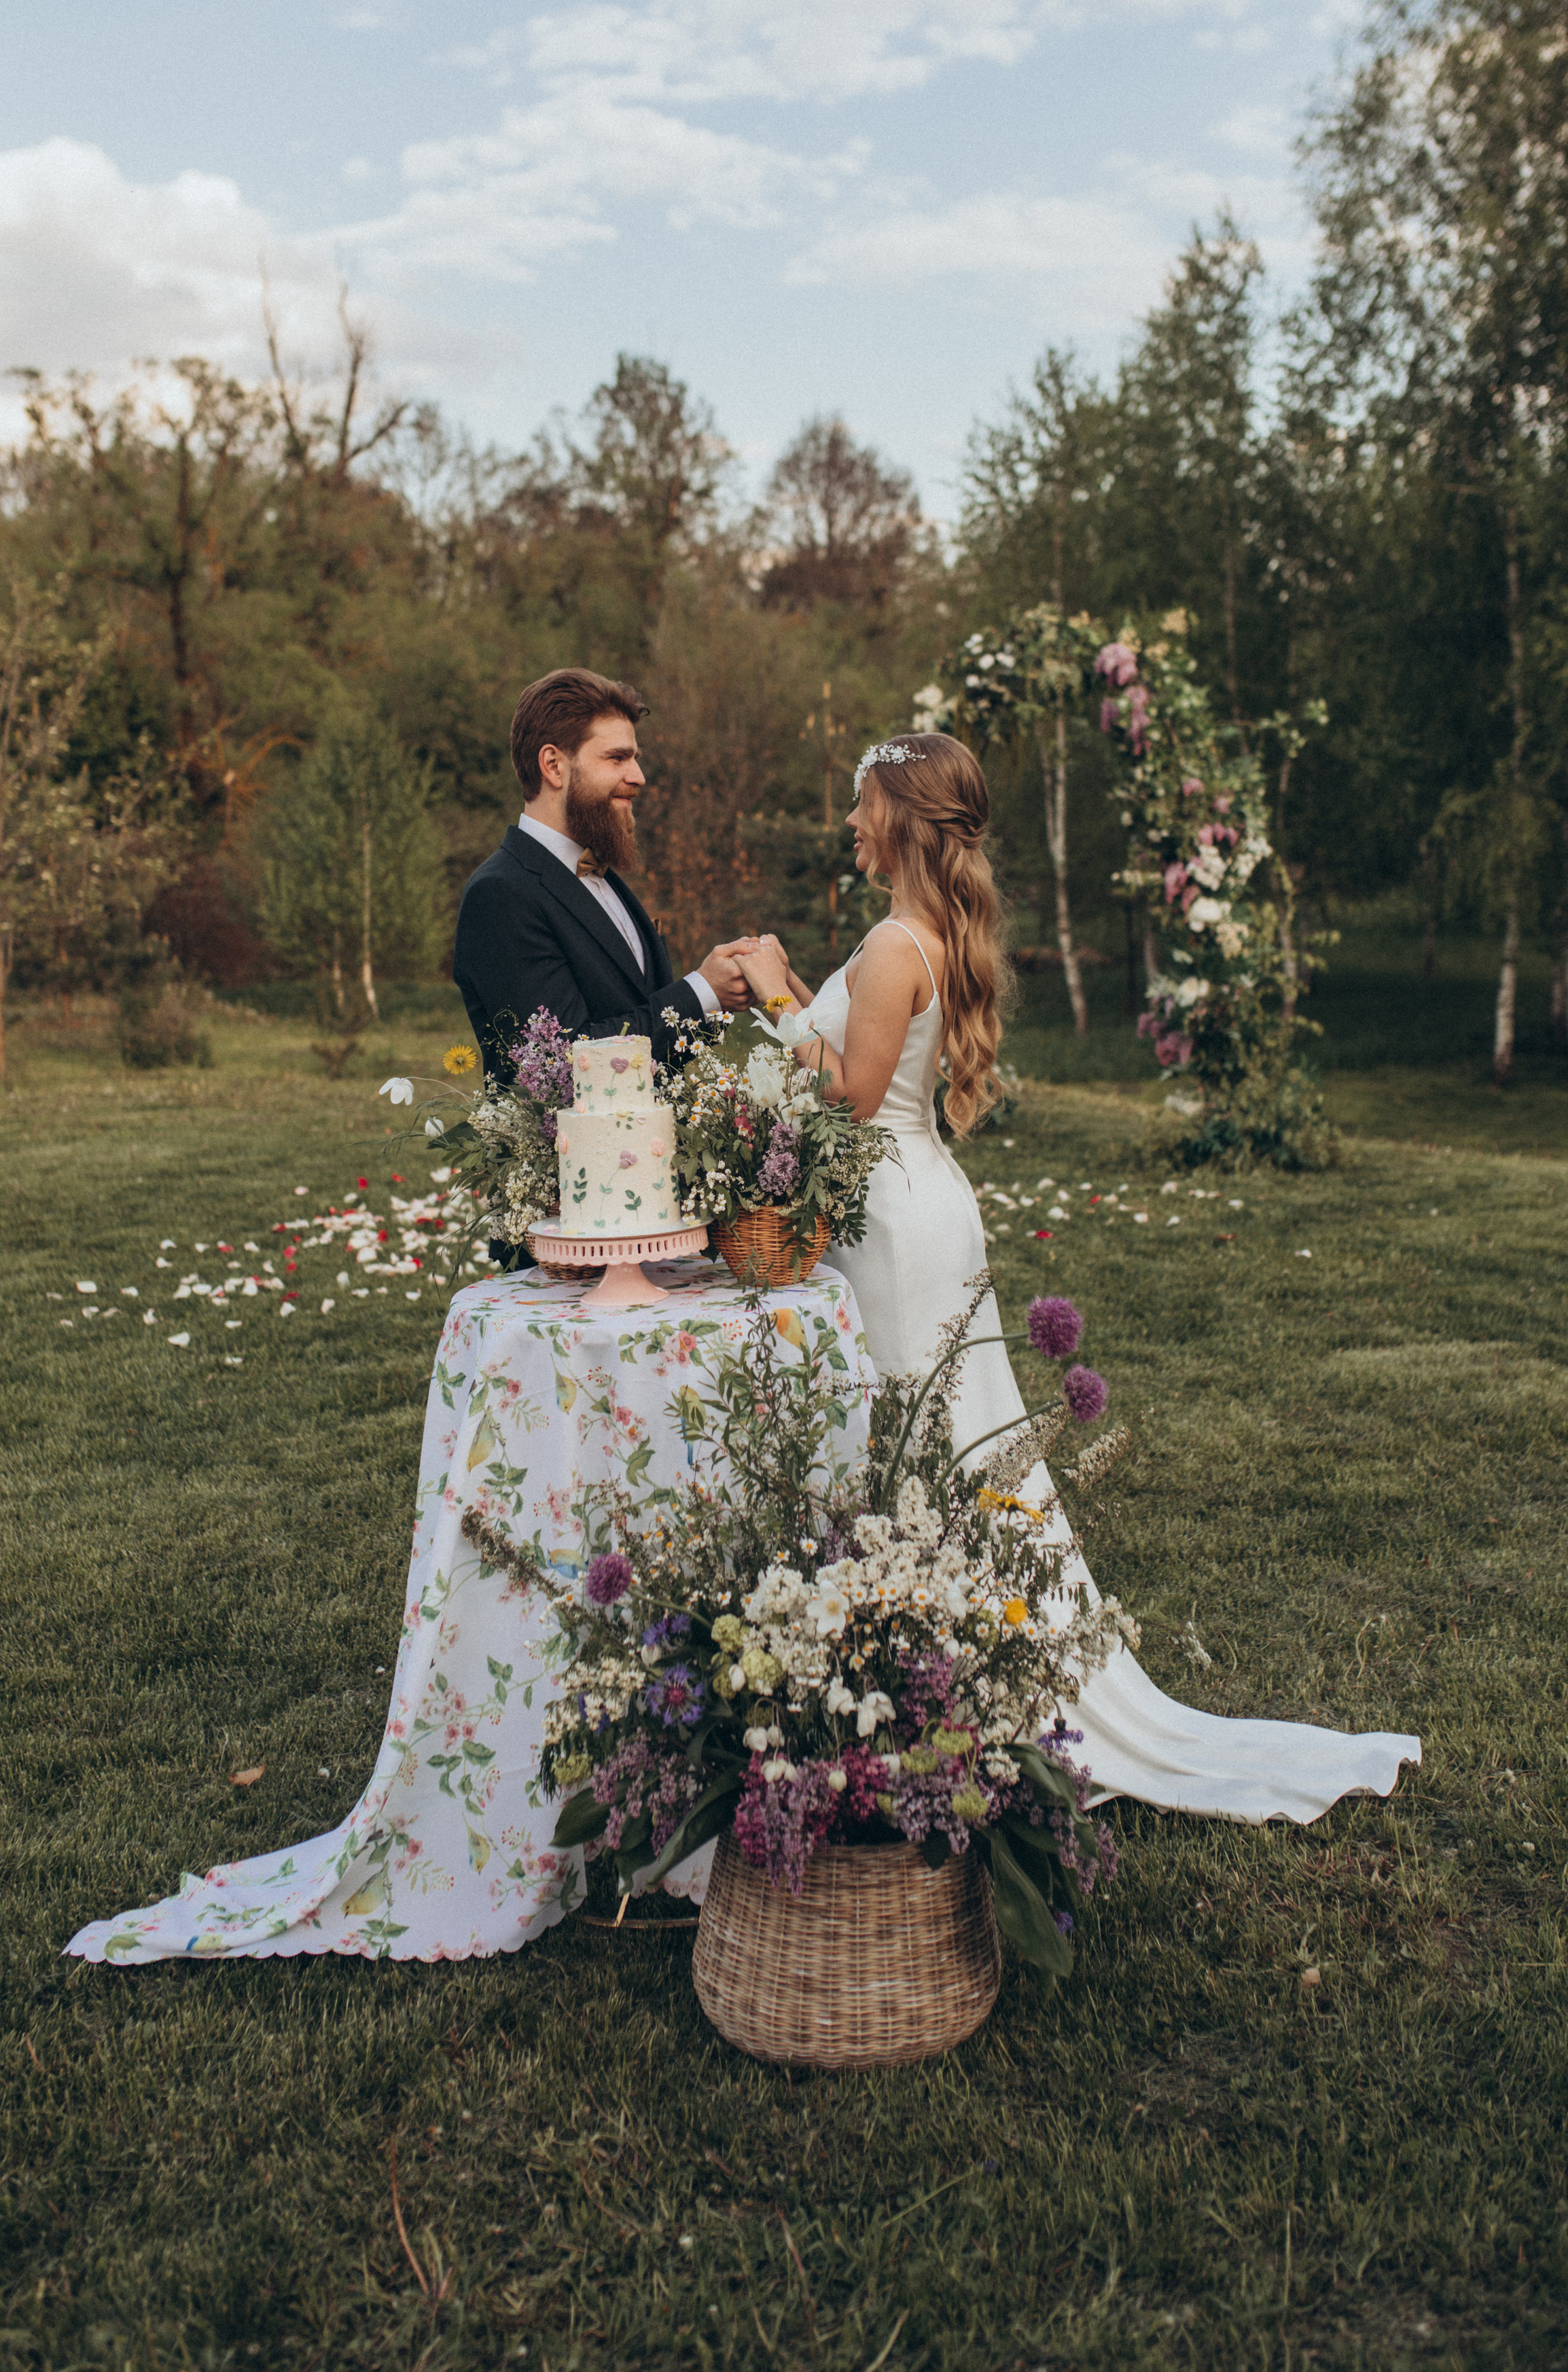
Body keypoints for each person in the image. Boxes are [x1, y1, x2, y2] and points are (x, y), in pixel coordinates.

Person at [734, 731, 1421, 1825]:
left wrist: (775, 995)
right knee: (942, 1438)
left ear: (904, 821)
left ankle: (953, 1670)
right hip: (917, 1207)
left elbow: (850, 1097)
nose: (851, 826)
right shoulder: (925, 936)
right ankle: (940, 1659)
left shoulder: (894, 941)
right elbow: (871, 1056)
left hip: (896, 1223)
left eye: (863, 808)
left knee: (926, 1441)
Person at [452, 668, 758, 1077]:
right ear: (554, 765)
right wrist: (701, 991)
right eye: (617, 758)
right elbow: (562, 1066)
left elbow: (642, 1032)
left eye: (634, 758)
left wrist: (725, 990)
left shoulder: (604, 877)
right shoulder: (500, 895)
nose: (638, 777)